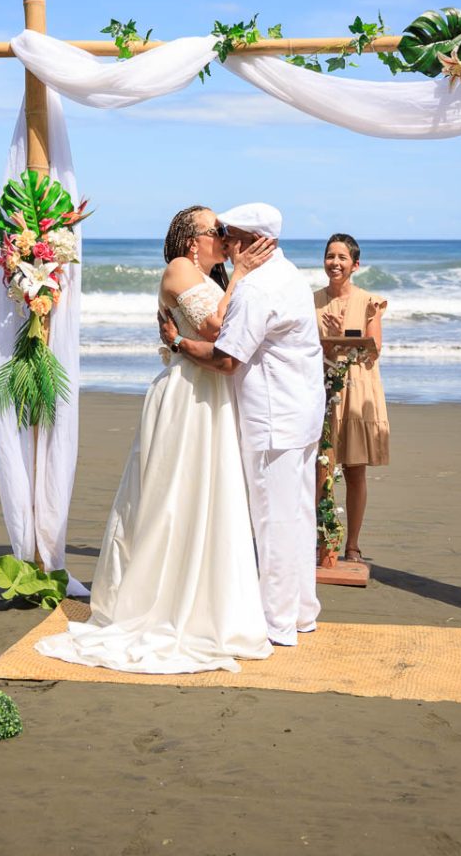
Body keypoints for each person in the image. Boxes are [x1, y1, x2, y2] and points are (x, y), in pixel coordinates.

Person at [35, 205, 275, 674]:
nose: (225, 238)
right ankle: (159, 602)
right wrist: (242, 275)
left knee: (208, 498)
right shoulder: (180, 270)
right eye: (217, 230)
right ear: (192, 239)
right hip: (187, 396)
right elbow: (217, 330)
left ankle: (207, 604)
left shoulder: (211, 277)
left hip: (209, 394)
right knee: (173, 499)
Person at [160, 203, 326, 647]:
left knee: (274, 521)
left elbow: (227, 359)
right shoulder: (289, 274)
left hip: (273, 420)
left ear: (255, 241)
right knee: (298, 515)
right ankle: (302, 612)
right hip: (302, 413)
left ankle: (277, 624)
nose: (228, 244)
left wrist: (177, 342)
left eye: (231, 236)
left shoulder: (256, 289)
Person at [313, 232, 390, 563]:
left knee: (355, 470)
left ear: (355, 265)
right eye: (331, 256)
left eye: (342, 257)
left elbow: (372, 353)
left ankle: (353, 545)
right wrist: (326, 338)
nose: (335, 262)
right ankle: (322, 542)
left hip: (356, 390)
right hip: (319, 389)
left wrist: (341, 335)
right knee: (320, 470)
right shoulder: (310, 302)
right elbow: (300, 348)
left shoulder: (369, 302)